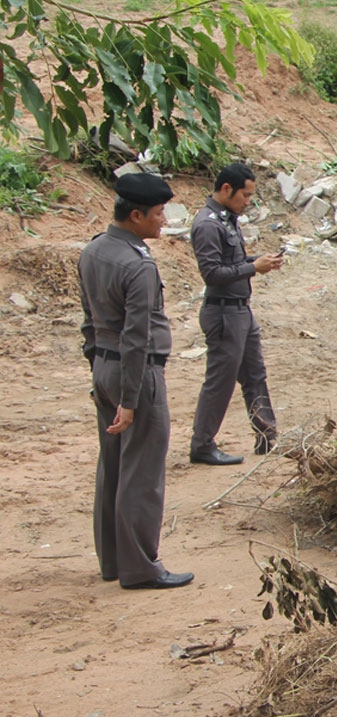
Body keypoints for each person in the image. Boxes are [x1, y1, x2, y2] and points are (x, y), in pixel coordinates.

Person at [78, 173, 194, 590]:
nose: (163, 221)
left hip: (104, 368)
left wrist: (99, 375)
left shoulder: (93, 251)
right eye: (159, 214)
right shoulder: (137, 265)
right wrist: (129, 399)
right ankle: (142, 567)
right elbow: (136, 337)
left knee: (112, 466)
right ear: (135, 215)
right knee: (141, 472)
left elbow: (90, 323)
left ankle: (113, 560)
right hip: (136, 374)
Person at [189, 163, 283, 465]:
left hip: (240, 310)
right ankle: (202, 444)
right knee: (221, 381)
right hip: (223, 314)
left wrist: (256, 261)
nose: (248, 202)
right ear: (226, 189)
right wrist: (253, 267)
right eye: (245, 195)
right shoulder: (207, 224)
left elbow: (233, 263)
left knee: (255, 375)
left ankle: (266, 436)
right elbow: (212, 273)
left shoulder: (227, 220)